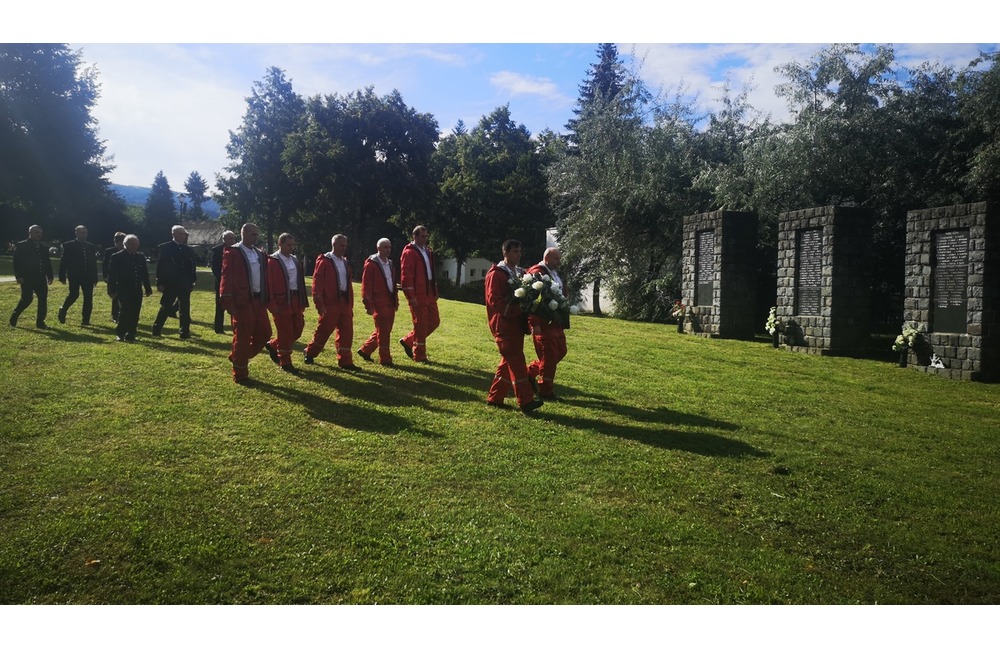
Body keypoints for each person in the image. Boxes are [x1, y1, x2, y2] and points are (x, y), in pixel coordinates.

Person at [484, 239, 543, 414]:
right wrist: (517, 308)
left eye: (519, 251)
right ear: (506, 253)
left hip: (516, 324)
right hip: (503, 325)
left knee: (507, 363)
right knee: (517, 363)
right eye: (515, 251)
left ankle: (494, 398)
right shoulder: (496, 274)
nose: (519, 255)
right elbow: (494, 301)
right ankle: (526, 401)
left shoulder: (519, 273)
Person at [219, 223, 272, 384]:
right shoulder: (233, 252)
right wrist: (227, 301)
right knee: (242, 337)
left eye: (257, 234)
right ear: (244, 234)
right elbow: (226, 276)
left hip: (258, 300)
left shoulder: (259, 253)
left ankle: (238, 356)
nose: (256, 237)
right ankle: (240, 374)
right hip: (242, 301)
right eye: (253, 234)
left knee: (265, 333)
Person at [303, 234, 357, 370]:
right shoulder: (325, 261)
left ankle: (345, 361)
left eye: (345, 245)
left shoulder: (345, 262)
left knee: (347, 332)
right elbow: (317, 283)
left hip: (344, 302)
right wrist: (319, 303)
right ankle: (310, 352)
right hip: (330, 303)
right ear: (333, 245)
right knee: (324, 331)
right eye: (341, 245)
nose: (344, 248)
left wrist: (350, 303)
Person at [526, 247, 569, 400]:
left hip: (555, 321)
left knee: (561, 351)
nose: (559, 262)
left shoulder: (554, 274)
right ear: (547, 258)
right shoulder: (537, 273)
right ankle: (545, 391)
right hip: (543, 323)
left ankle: (530, 372)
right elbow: (531, 300)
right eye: (556, 259)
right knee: (549, 357)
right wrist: (534, 323)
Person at [265, 233, 308, 374]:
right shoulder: (272, 260)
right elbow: (268, 283)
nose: (291, 247)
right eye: (288, 244)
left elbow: (300, 281)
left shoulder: (295, 260)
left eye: (292, 244)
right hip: (281, 300)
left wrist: (302, 301)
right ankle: (285, 361)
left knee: (298, 328)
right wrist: (272, 303)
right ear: (280, 244)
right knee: (285, 331)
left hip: (295, 299)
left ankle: (272, 344)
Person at [398, 225, 440, 363]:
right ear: (414, 236)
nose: (425, 239)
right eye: (422, 236)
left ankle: (408, 341)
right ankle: (419, 355)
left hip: (428, 292)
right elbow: (406, 275)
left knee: (434, 321)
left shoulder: (427, 251)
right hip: (418, 293)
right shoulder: (409, 252)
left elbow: (431, 273)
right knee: (420, 324)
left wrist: (435, 291)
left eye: (426, 236)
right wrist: (411, 296)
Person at [152, 225, 197, 339]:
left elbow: (192, 266)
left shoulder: (188, 249)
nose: (183, 236)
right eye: (180, 234)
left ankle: (184, 332)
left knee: (184, 309)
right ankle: (157, 329)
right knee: (166, 307)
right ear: (174, 234)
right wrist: (159, 282)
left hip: (185, 283)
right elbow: (160, 266)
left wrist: (192, 281)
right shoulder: (165, 248)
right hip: (170, 283)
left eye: (184, 234)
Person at [358, 237, 398, 366]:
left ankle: (366, 350)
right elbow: (366, 285)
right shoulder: (371, 264)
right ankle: (385, 359)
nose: (388, 250)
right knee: (384, 331)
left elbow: (392, 284)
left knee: (385, 330)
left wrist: (395, 301)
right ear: (378, 248)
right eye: (385, 247)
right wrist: (368, 304)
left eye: (389, 247)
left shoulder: (390, 264)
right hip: (379, 302)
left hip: (389, 302)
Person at [107, 234, 152, 342]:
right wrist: (111, 290)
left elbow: (144, 273)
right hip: (123, 289)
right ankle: (120, 333)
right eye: (133, 244)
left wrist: (147, 287)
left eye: (137, 244)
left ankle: (131, 333)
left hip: (136, 288)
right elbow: (112, 275)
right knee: (125, 311)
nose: (135, 246)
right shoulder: (117, 256)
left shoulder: (140, 256)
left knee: (135, 312)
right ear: (126, 244)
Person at [9, 224, 54, 329]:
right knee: (27, 299)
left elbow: (47, 262)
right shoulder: (22, 246)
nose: (39, 235)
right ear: (30, 233)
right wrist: (18, 276)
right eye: (36, 232)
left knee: (43, 300)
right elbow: (16, 262)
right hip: (27, 278)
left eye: (40, 233)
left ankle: (40, 323)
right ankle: (15, 314)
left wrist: (50, 276)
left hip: (40, 278)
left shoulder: (43, 247)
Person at [57, 225, 100, 326]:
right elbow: (64, 262)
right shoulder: (69, 245)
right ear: (76, 233)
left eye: (85, 233)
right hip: (75, 275)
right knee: (74, 295)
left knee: (88, 298)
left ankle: (86, 320)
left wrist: (95, 276)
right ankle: (63, 310)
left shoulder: (90, 246)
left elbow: (93, 263)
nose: (83, 235)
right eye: (81, 233)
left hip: (88, 276)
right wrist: (62, 276)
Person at [211, 230, 237, 334]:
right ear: (224, 239)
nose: (232, 240)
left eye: (233, 238)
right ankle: (219, 328)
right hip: (221, 282)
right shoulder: (217, 251)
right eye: (229, 238)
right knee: (220, 306)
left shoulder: (238, 249)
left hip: (235, 283)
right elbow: (215, 269)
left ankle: (235, 327)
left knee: (235, 305)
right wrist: (223, 280)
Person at [102, 231, 126, 323]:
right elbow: (105, 264)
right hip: (113, 276)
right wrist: (105, 276)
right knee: (115, 296)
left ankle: (123, 313)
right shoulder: (110, 251)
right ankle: (115, 314)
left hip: (123, 277)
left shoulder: (126, 250)